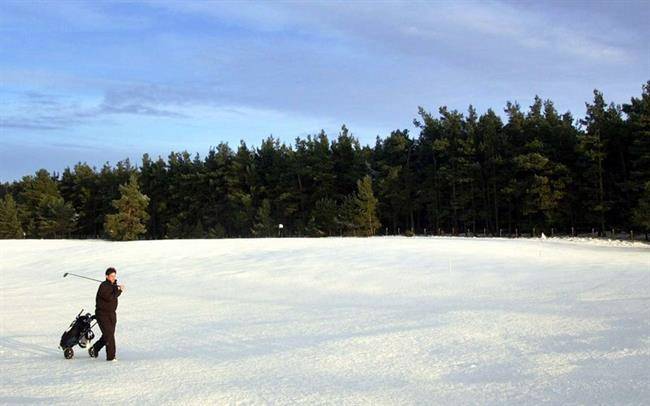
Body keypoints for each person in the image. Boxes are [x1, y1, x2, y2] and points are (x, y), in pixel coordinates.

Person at [89, 267, 125, 361]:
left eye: (114, 276)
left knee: (108, 335)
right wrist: (119, 290)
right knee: (109, 335)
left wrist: (116, 288)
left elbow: (113, 295)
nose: (113, 277)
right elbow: (110, 298)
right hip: (102, 314)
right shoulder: (103, 286)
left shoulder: (113, 286)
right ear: (107, 276)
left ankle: (95, 348)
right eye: (111, 276)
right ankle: (111, 357)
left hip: (112, 314)